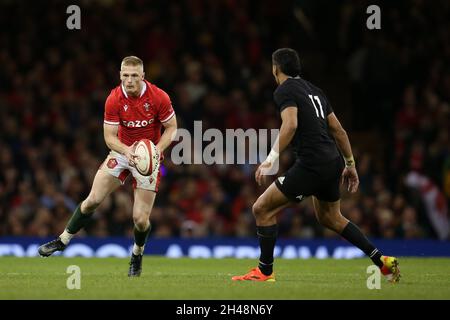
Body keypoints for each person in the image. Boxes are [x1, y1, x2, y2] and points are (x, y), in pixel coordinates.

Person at [232, 48, 400, 283]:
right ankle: (382, 261)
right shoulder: (315, 91)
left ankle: (264, 271)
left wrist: (270, 158)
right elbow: (338, 130)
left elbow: (290, 125)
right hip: (332, 161)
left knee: (261, 209)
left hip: (312, 163)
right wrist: (350, 163)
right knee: (331, 218)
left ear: (275, 68)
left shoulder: (285, 89)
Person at [38, 56, 177, 277]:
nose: (129, 80)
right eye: (125, 75)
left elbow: (171, 128)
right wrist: (126, 151)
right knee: (92, 200)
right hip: (122, 152)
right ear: (120, 75)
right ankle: (62, 240)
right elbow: (110, 137)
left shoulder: (159, 96)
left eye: (134, 76)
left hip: (148, 158)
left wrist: (158, 150)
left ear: (143, 76)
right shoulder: (113, 98)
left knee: (140, 220)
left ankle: (137, 253)